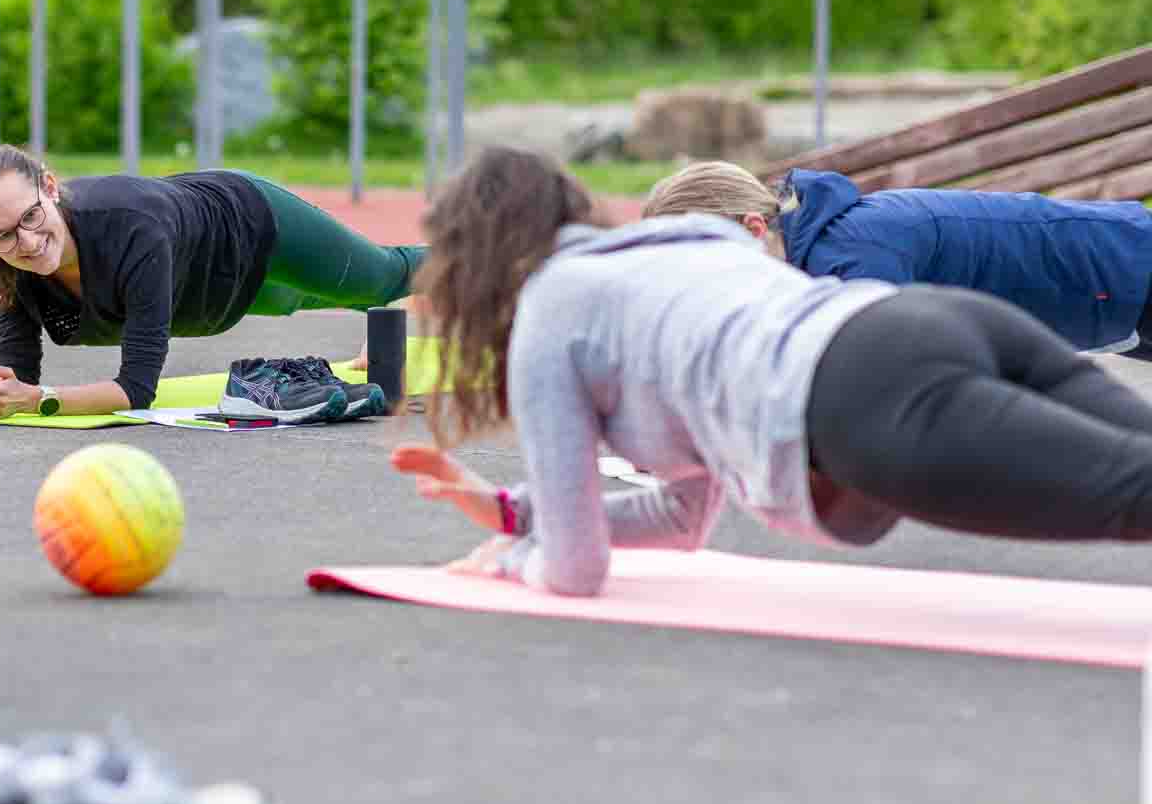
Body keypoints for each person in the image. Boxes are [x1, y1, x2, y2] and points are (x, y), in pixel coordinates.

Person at [393, 145, 1152, 597]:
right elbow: (680, 518)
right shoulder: (680, 246)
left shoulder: (549, 321)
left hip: (866, 390)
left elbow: (575, 569)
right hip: (941, 325)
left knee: (1134, 493)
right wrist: (513, 511)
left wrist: (512, 560)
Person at [0, 143, 427, 424]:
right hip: (217, 300)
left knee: (382, 279)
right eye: (3, 236)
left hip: (253, 227)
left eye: (30, 217)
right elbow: (16, 376)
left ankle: (496, 257)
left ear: (49, 187)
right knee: (309, 299)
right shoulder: (4, 267)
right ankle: (395, 319)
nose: (26, 241)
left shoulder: (133, 228)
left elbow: (136, 392)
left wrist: (41, 399)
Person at [642, 159, 1152, 355]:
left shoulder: (849, 256)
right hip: (1116, 289)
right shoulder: (826, 243)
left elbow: (890, 367)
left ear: (753, 229)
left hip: (1127, 273)